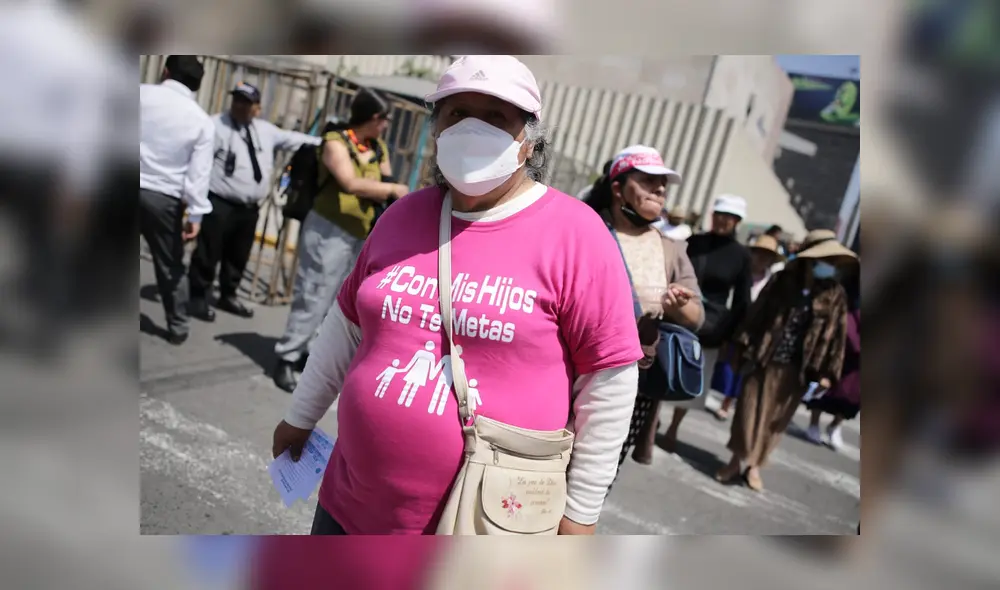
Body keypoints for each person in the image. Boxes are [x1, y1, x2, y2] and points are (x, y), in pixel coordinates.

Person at [271, 54, 643, 535]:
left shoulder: (576, 234)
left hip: (481, 522)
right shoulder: (403, 216)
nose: (472, 129)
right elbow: (345, 326)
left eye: (494, 117)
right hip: (348, 507)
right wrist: (300, 415)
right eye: (456, 113)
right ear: (437, 128)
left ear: (528, 142)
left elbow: (608, 381)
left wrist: (580, 514)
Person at [273, 88, 411, 393]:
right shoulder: (336, 142)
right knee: (313, 292)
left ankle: (309, 353)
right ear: (373, 118)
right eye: (384, 119)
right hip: (329, 229)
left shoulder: (377, 147)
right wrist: (390, 191)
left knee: (338, 298)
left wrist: (391, 189)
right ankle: (287, 355)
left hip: (359, 232)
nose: (386, 125)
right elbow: (349, 182)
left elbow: (386, 179)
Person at [582, 145, 704, 468]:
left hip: (634, 389)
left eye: (662, 183)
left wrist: (676, 304)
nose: (660, 189)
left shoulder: (670, 248)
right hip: (573, 375)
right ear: (618, 187)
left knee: (598, 475)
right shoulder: (584, 230)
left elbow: (696, 317)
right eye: (648, 180)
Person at [717, 229, 857, 491]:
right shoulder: (783, 280)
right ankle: (736, 460)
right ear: (809, 258)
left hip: (800, 368)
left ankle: (754, 466)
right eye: (824, 259)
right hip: (764, 356)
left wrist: (828, 372)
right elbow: (756, 314)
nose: (829, 265)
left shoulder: (835, 293)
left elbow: (837, 336)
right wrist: (739, 346)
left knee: (776, 419)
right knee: (748, 410)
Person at [188, 82, 322, 322]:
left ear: (257, 108)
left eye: (246, 102)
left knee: (238, 254)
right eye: (237, 100)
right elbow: (198, 163)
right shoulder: (216, 125)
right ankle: (197, 296)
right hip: (220, 202)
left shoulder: (265, 130)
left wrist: (330, 143)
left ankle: (228, 293)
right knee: (208, 252)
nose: (240, 106)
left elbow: (294, 139)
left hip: (249, 209)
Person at [661, 194, 752, 451]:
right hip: (675, 312)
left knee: (692, 377)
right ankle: (652, 420)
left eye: (730, 217)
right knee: (662, 366)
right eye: (719, 215)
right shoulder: (694, 242)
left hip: (711, 326)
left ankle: (674, 427)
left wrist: (730, 336)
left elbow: (742, 301)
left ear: (737, 222)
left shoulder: (741, 255)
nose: (723, 221)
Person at [139, 55, 214, 345]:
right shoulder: (201, 121)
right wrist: (196, 214)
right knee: (170, 265)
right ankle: (178, 326)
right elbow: (199, 175)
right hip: (163, 198)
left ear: (165, 71)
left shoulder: (140, 95)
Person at [711, 234, 785, 421]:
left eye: (767, 256)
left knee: (740, 368)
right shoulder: (740, 273)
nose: (762, 259)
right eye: (759, 253)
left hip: (754, 331)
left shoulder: (773, 281)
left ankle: (727, 403)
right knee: (722, 361)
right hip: (731, 324)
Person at [805, 265, 860, 450]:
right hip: (844, 332)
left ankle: (836, 425)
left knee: (855, 391)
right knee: (826, 382)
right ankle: (814, 422)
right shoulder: (851, 280)